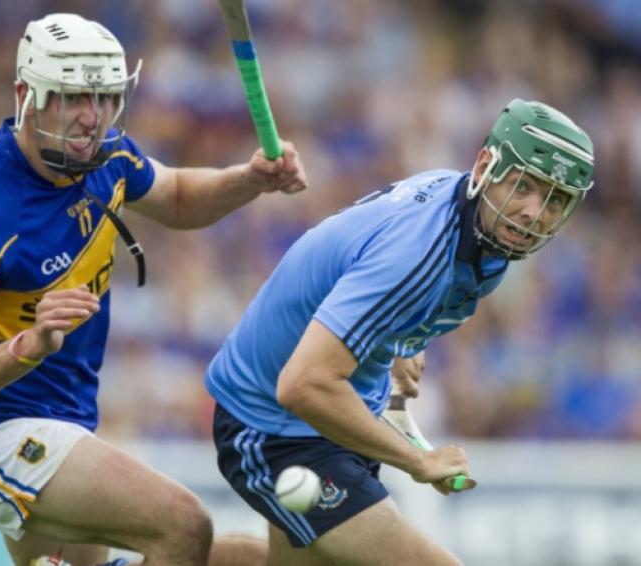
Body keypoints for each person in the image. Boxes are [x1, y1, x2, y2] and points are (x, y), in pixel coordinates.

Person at [0, 12, 306, 566]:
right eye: (74, 97)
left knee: (244, 561)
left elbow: (173, 196)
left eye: (104, 97)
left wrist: (248, 180)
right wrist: (27, 345)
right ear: (28, 94)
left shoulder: (107, 158)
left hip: (65, 419)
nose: (91, 118)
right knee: (182, 524)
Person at [205, 98, 594, 565]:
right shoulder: (418, 252)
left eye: (555, 200)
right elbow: (302, 384)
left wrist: (402, 339)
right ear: (485, 166)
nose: (534, 212)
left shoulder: (478, 233)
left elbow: (374, 282)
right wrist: (418, 462)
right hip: (271, 425)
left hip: (329, 422)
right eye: (523, 186)